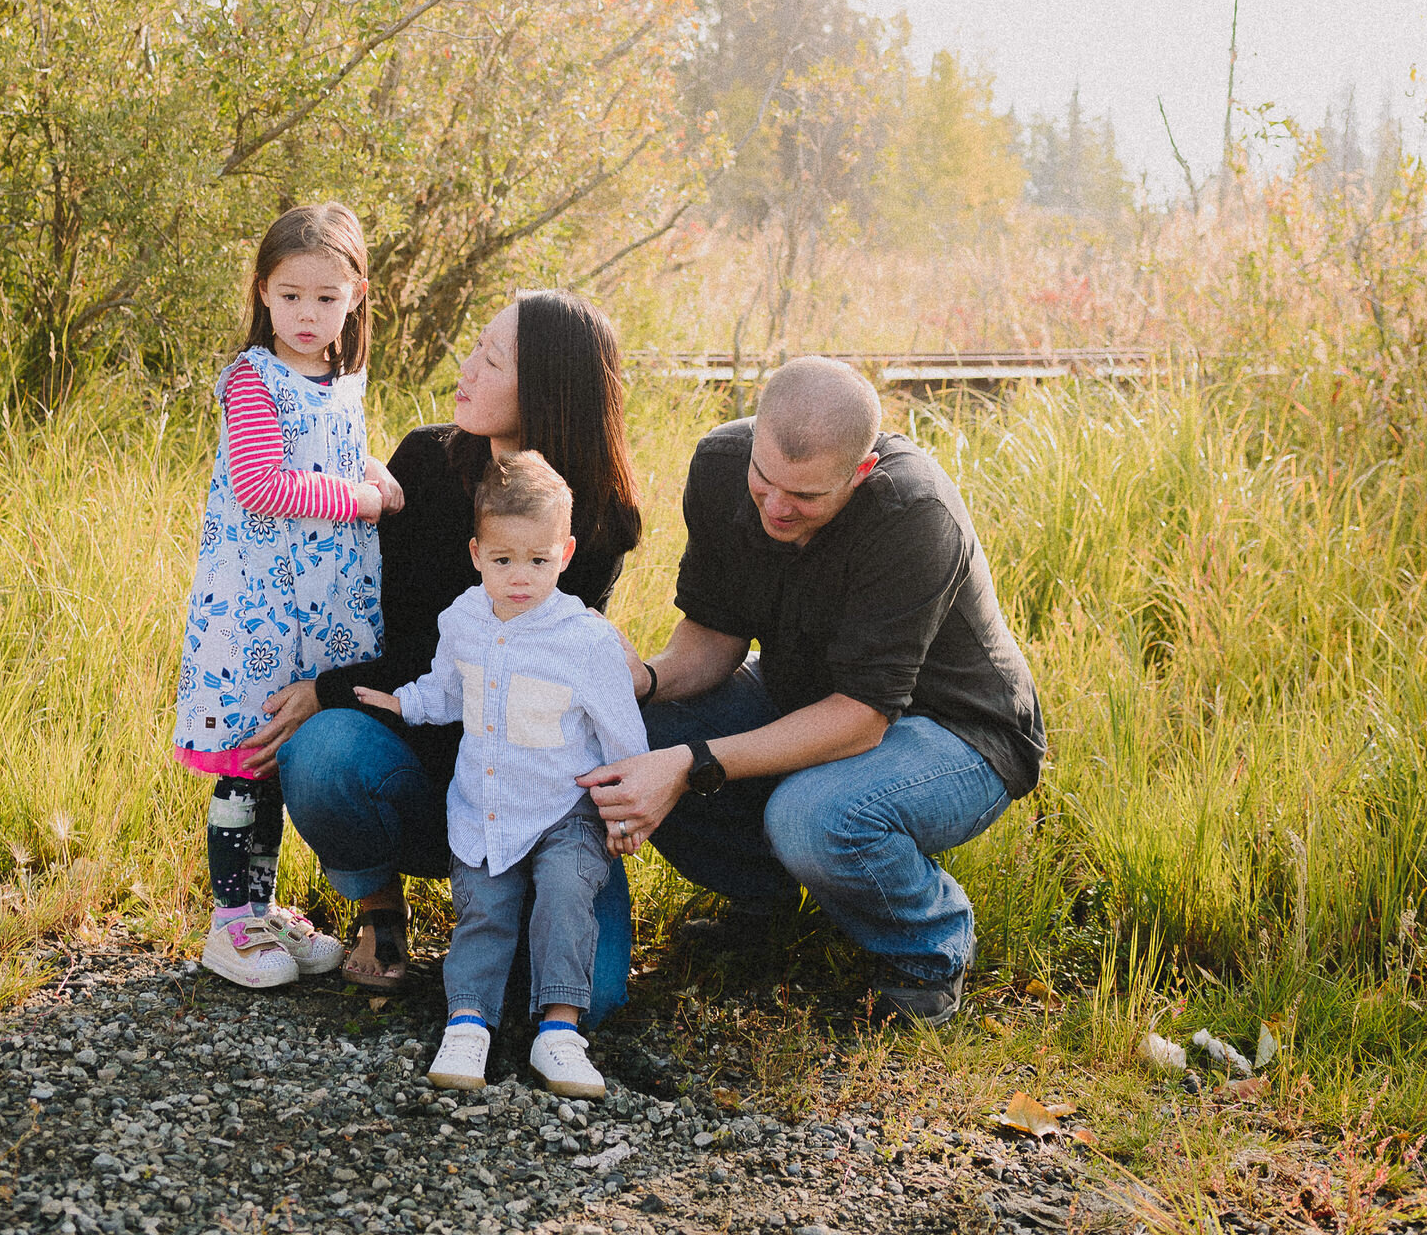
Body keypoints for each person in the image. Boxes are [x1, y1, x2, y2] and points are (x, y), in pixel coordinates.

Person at [580, 355, 1045, 1024]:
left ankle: (929, 949)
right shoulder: (720, 467)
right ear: (755, 439)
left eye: (805, 497)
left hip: (959, 732)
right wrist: (645, 682)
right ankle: (765, 905)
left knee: (811, 815)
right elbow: (714, 640)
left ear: (860, 473)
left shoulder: (913, 511)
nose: (775, 505)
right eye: (764, 479)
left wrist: (691, 766)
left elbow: (860, 722)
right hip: (804, 696)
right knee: (632, 731)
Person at [249, 289, 643, 1018]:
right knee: (325, 752)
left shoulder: (593, 515)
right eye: (476, 347)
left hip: (536, 788)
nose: (466, 369)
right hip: (416, 753)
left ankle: (511, 902)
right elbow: (381, 624)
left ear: (547, 392)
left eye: (491, 360)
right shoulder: (425, 465)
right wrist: (328, 688)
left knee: (592, 999)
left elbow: (527, 660)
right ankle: (381, 912)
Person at [356, 451, 647, 1097]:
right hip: (485, 805)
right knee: (483, 912)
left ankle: (560, 1032)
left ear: (565, 554)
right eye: (503, 560)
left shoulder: (586, 641)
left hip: (568, 810)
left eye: (538, 561)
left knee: (567, 899)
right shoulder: (464, 619)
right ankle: (468, 1023)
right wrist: (403, 703)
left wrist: (627, 812)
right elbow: (448, 689)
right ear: (476, 553)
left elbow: (624, 735)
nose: (521, 577)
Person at [173, 201, 405, 989]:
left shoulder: (341, 378)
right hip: (262, 602)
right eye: (291, 296)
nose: (308, 315)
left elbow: (337, 447)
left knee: (281, 751)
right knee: (248, 752)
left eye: (327, 298)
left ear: (357, 295)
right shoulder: (253, 379)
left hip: (321, 602)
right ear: (264, 293)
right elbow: (264, 483)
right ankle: (230, 921)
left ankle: (263, 910)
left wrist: (375, 469)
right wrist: (365, 500)